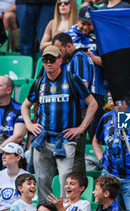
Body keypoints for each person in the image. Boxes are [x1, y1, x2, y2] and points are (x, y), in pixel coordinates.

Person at [21, 45, 98, 201]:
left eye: (52, 60)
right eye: (45, 60)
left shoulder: (72, 78)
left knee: (66, 180)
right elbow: (25, 105)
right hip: (43, 139)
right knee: (42, 181)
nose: (48, 63)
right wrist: (29, 124)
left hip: (65, 139)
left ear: (60, 61)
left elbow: (93, 104)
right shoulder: (39, 83)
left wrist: (81, 128)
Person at [52, 32, 104, 173]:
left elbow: (83, 85)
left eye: (60, 51)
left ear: (69, 46)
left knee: (75, 152)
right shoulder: (71, 60)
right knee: (74, 152)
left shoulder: (79, 58)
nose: (59, 55)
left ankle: (76, 186)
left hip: (83, 108)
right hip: (80, 108)